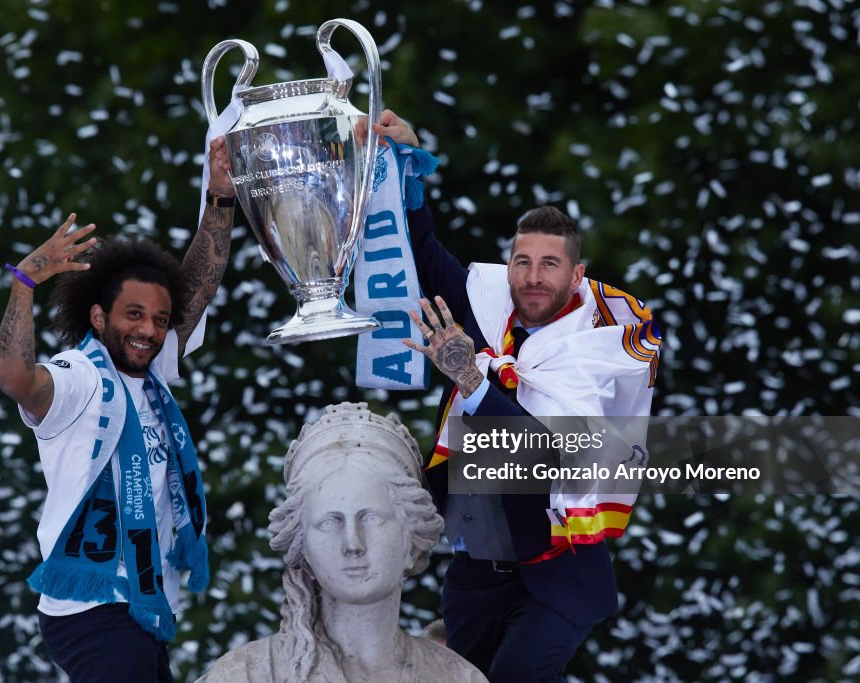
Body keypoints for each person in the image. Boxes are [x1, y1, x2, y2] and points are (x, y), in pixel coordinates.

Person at [374, 111, 661, 683]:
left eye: (549, 264)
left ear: (576, 274)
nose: (533, 277)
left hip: (558, 578)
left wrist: (475, 383)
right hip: (476, 574)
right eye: (522, 262)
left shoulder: (599, 349)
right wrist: (404, 167)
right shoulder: (489, 314)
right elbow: (423, 253)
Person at [0, 137, 237, 683]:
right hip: (92, 608)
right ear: (99, 318)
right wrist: (26, 282)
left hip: (142, 606)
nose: (149, 330)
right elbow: (15, 378)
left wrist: (220, 200)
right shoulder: (80, 378)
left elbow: (198, 285)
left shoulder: (151, 379)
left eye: (158, 319)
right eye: (134, 315)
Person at [196, 403, 488, 683]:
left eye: (372, 518)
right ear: (302, 546)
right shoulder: (246, 675)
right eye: (329, 522)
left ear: (412, 537)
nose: (352, 543)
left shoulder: (457, 677)